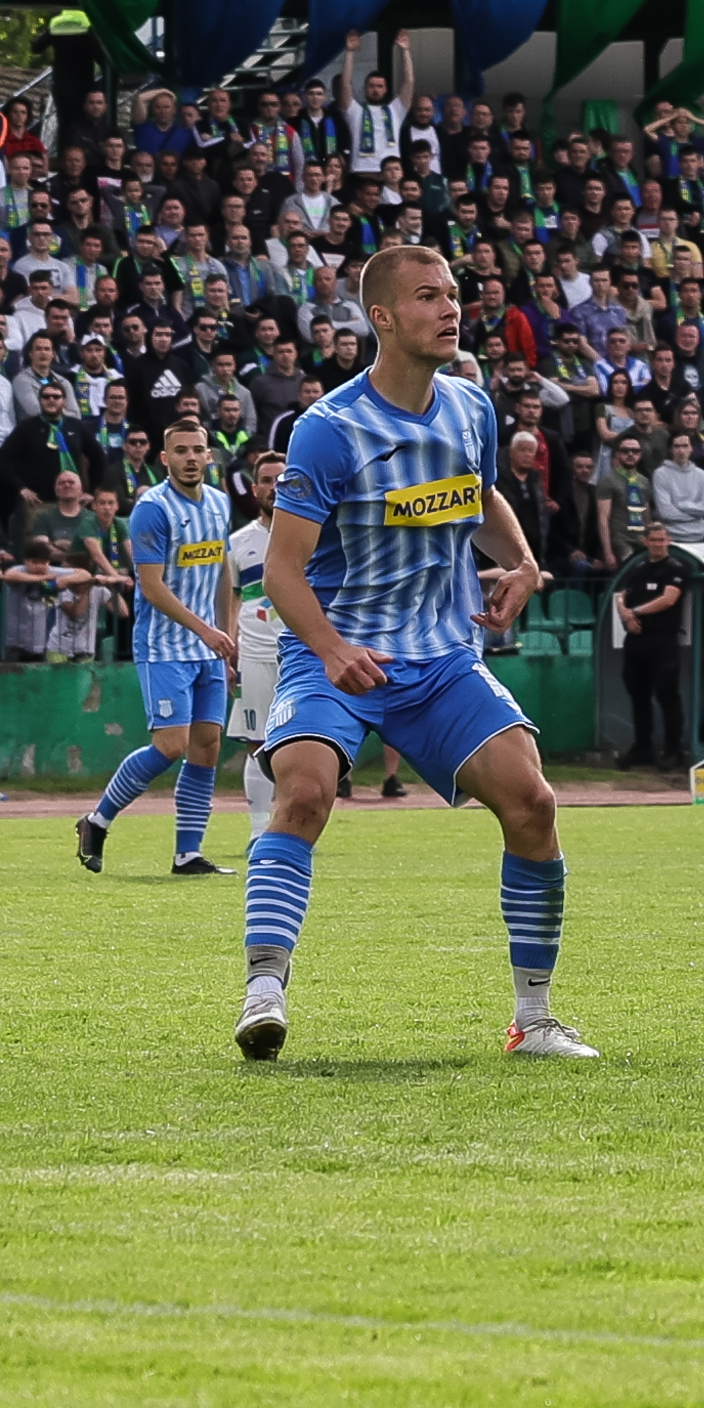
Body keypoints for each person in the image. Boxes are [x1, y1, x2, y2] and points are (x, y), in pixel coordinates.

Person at [242, 242, 566, 1060]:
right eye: (428, 297)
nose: (450, 309)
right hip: (337, 655)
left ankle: (533, 1020)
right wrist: (329, 647)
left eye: (454, 294)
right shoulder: (328, 429)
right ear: (382, 317)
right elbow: (281, 572)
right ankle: (263, 991)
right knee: (306, 791)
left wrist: (521, 560)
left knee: (533, 803)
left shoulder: (471, 406)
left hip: (442, 660)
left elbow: (480, 494)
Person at [75, 417, 233, 876]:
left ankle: (188, 853)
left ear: (208, 455)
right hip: (164, 647)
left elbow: (223, 572)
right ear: (164, 459)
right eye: (180, 450)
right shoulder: (153, 507)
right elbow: (152, 587)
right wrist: (207, 630)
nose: (190, 458)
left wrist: (227, 638)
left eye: (197, 450)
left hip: (207, 648)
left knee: (207, 747)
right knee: (169, 745)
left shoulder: (220, 504)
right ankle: (97, 820)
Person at [611, 522, 693, 770]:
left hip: (663, 641)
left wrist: (635, 611)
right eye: (653, 540)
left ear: (669, 541)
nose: (658, 544)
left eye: (662, 539)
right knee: (639, 697)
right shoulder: (636, 569)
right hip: (636, 640)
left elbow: (668, 599)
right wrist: (626, 617)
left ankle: (673, 749)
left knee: (667, 696)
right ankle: (642, 748)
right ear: (645, 542)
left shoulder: (675, 568)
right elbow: (620, 596)